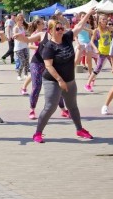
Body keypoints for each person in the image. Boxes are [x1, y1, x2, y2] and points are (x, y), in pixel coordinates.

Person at [32, 11, 95, 143]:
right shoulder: (49, 46)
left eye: (62, 28)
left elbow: (79, 26)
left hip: (70, 79)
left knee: (73, 106)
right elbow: (48, 66)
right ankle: (37, 133)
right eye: (58, 28)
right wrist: (60, 80)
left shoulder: (67, 38)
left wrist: (88, 14)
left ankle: (79, 129)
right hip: (53, 80)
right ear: (50, 31)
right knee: (50, 107)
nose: (61, 31)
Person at [85, 14, 113, 92]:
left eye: (106, 19)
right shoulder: (97, 30)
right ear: (100, 21)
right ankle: (88, 84)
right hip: (102, 52)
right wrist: (95, 49)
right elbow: (91, 41)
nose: (105, 21)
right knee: (98, 68)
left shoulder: (109, 29)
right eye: (103, 19)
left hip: (110, 52)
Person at [13, 14, 30, 82]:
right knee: (22, 61)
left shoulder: (22, 28)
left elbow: (26, 35)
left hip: (25, 46)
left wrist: (27, 37)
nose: (21, 21)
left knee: (27, 60)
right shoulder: (16, 28)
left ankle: (26, 74)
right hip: (18, 47)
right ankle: (19, 75)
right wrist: (22, 37)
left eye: (22, 20)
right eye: (19, 20)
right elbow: (15, 36)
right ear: (16, 21)